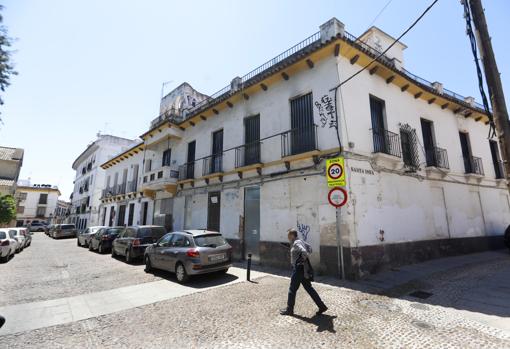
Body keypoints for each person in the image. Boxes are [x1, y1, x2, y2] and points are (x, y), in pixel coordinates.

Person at [280, 228, 328, 316]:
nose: (287, 237)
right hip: (303, 270)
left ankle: (289, 309)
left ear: (292, 235)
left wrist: (301, 260)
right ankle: (322, 306)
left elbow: (304, 251)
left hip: (298, 270)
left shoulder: (296, 242)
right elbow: (310, 248)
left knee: (292, 289)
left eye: (288, 235)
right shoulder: (300, 241)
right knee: (309, 288)